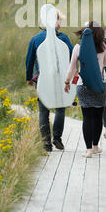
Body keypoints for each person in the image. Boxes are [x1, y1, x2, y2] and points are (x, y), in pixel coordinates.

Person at [25, 9, 73, 152]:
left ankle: (46, 142)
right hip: (60, 78)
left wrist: (29, 77)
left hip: (42, 79)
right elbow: (71, 58)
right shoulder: (63, 39)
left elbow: (30, 60)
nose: (60, 23)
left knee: (43, 111)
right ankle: (57, 138)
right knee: (60, 108)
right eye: (59, 20)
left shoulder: (36, 39)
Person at [64, 21, 106, 158]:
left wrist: (67, 82)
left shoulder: (78, 47)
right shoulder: (103, 46)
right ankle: (96, 146)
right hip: (101, 85)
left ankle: (88, 150)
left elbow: (72, 67)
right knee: (97, 116)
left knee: (87, 117)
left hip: (83, 85)